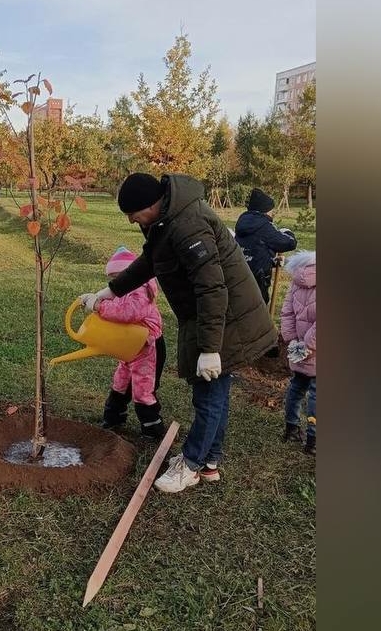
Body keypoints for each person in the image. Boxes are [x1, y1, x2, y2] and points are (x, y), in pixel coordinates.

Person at [80, 173, 279, 493]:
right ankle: (210, 463)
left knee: (209, 395)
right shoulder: (167, 220)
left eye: (133, 215)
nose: (132, 222)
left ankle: (191, 465)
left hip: (225, 320)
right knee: (216, 391)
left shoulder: (189, 226)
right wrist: (111, 291)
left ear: (150, 204)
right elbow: (149, 262)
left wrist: (211, 348)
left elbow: (213, 288)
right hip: (213, 317)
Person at [93, 246, 168, 440]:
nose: (118, 283)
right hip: (129, 347)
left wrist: (99, 306)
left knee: (143, 389)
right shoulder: (123, 291)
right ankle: (113, 418)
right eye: (115, 278)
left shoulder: (140, 290)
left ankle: (153, 428)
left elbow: (129, 313)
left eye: (120, 276)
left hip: (148, 347)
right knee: (121, 383)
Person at [279, 251, 317, 456]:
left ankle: (291, 428)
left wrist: (293, 343)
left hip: (297, 346)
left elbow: (286, 313)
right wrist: (308, 348)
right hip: (316, 350)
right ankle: (314, 439)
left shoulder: (296, 280)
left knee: (296, 387)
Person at [234, 188, 297, 306]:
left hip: (240, 276)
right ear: (264, 210)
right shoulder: (264, 226)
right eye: (270, 210)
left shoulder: (242, 223)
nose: (271, 213)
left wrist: (272, 261)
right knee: (257, 311)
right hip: (259, 278)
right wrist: (287, 231)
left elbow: (253, 250)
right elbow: (289, 243)